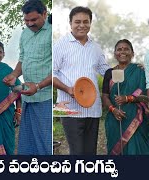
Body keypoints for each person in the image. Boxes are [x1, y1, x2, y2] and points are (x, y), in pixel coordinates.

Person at [53, 6, 110, 155]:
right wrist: (68, 89)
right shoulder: (60, 45)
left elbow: (106, 71)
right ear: (70, 23)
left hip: (93, 108)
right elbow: (50, 73)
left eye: (86, 21)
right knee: (77, 152)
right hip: (70, 108)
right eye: (77, 21)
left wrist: (127, 69)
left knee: (90, 152)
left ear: (90, 23)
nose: (82, 25)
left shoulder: (96, 47)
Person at [3, 0, 52, 155]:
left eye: (34, 20)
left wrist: (38, 86)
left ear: (44, 14)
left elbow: (59, 68)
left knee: (45, 144)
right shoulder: (25, 34)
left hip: (46, 97)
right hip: (28, 98)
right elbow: (23, 59)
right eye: (26, 20)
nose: (29, 24)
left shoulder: (53, 32)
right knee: (27, 145)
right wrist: (14, 75)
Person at [102, 39, 149, 155]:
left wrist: (128, 98)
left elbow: (145, 97)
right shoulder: (109, 72)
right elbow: (104, 96)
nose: (123, 52)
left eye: (126, 49)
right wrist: (113, 109)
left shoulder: (140, 71)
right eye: (119, 49)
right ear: (115, 54)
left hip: (136, 119)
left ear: (132, 53)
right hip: (114, 119)